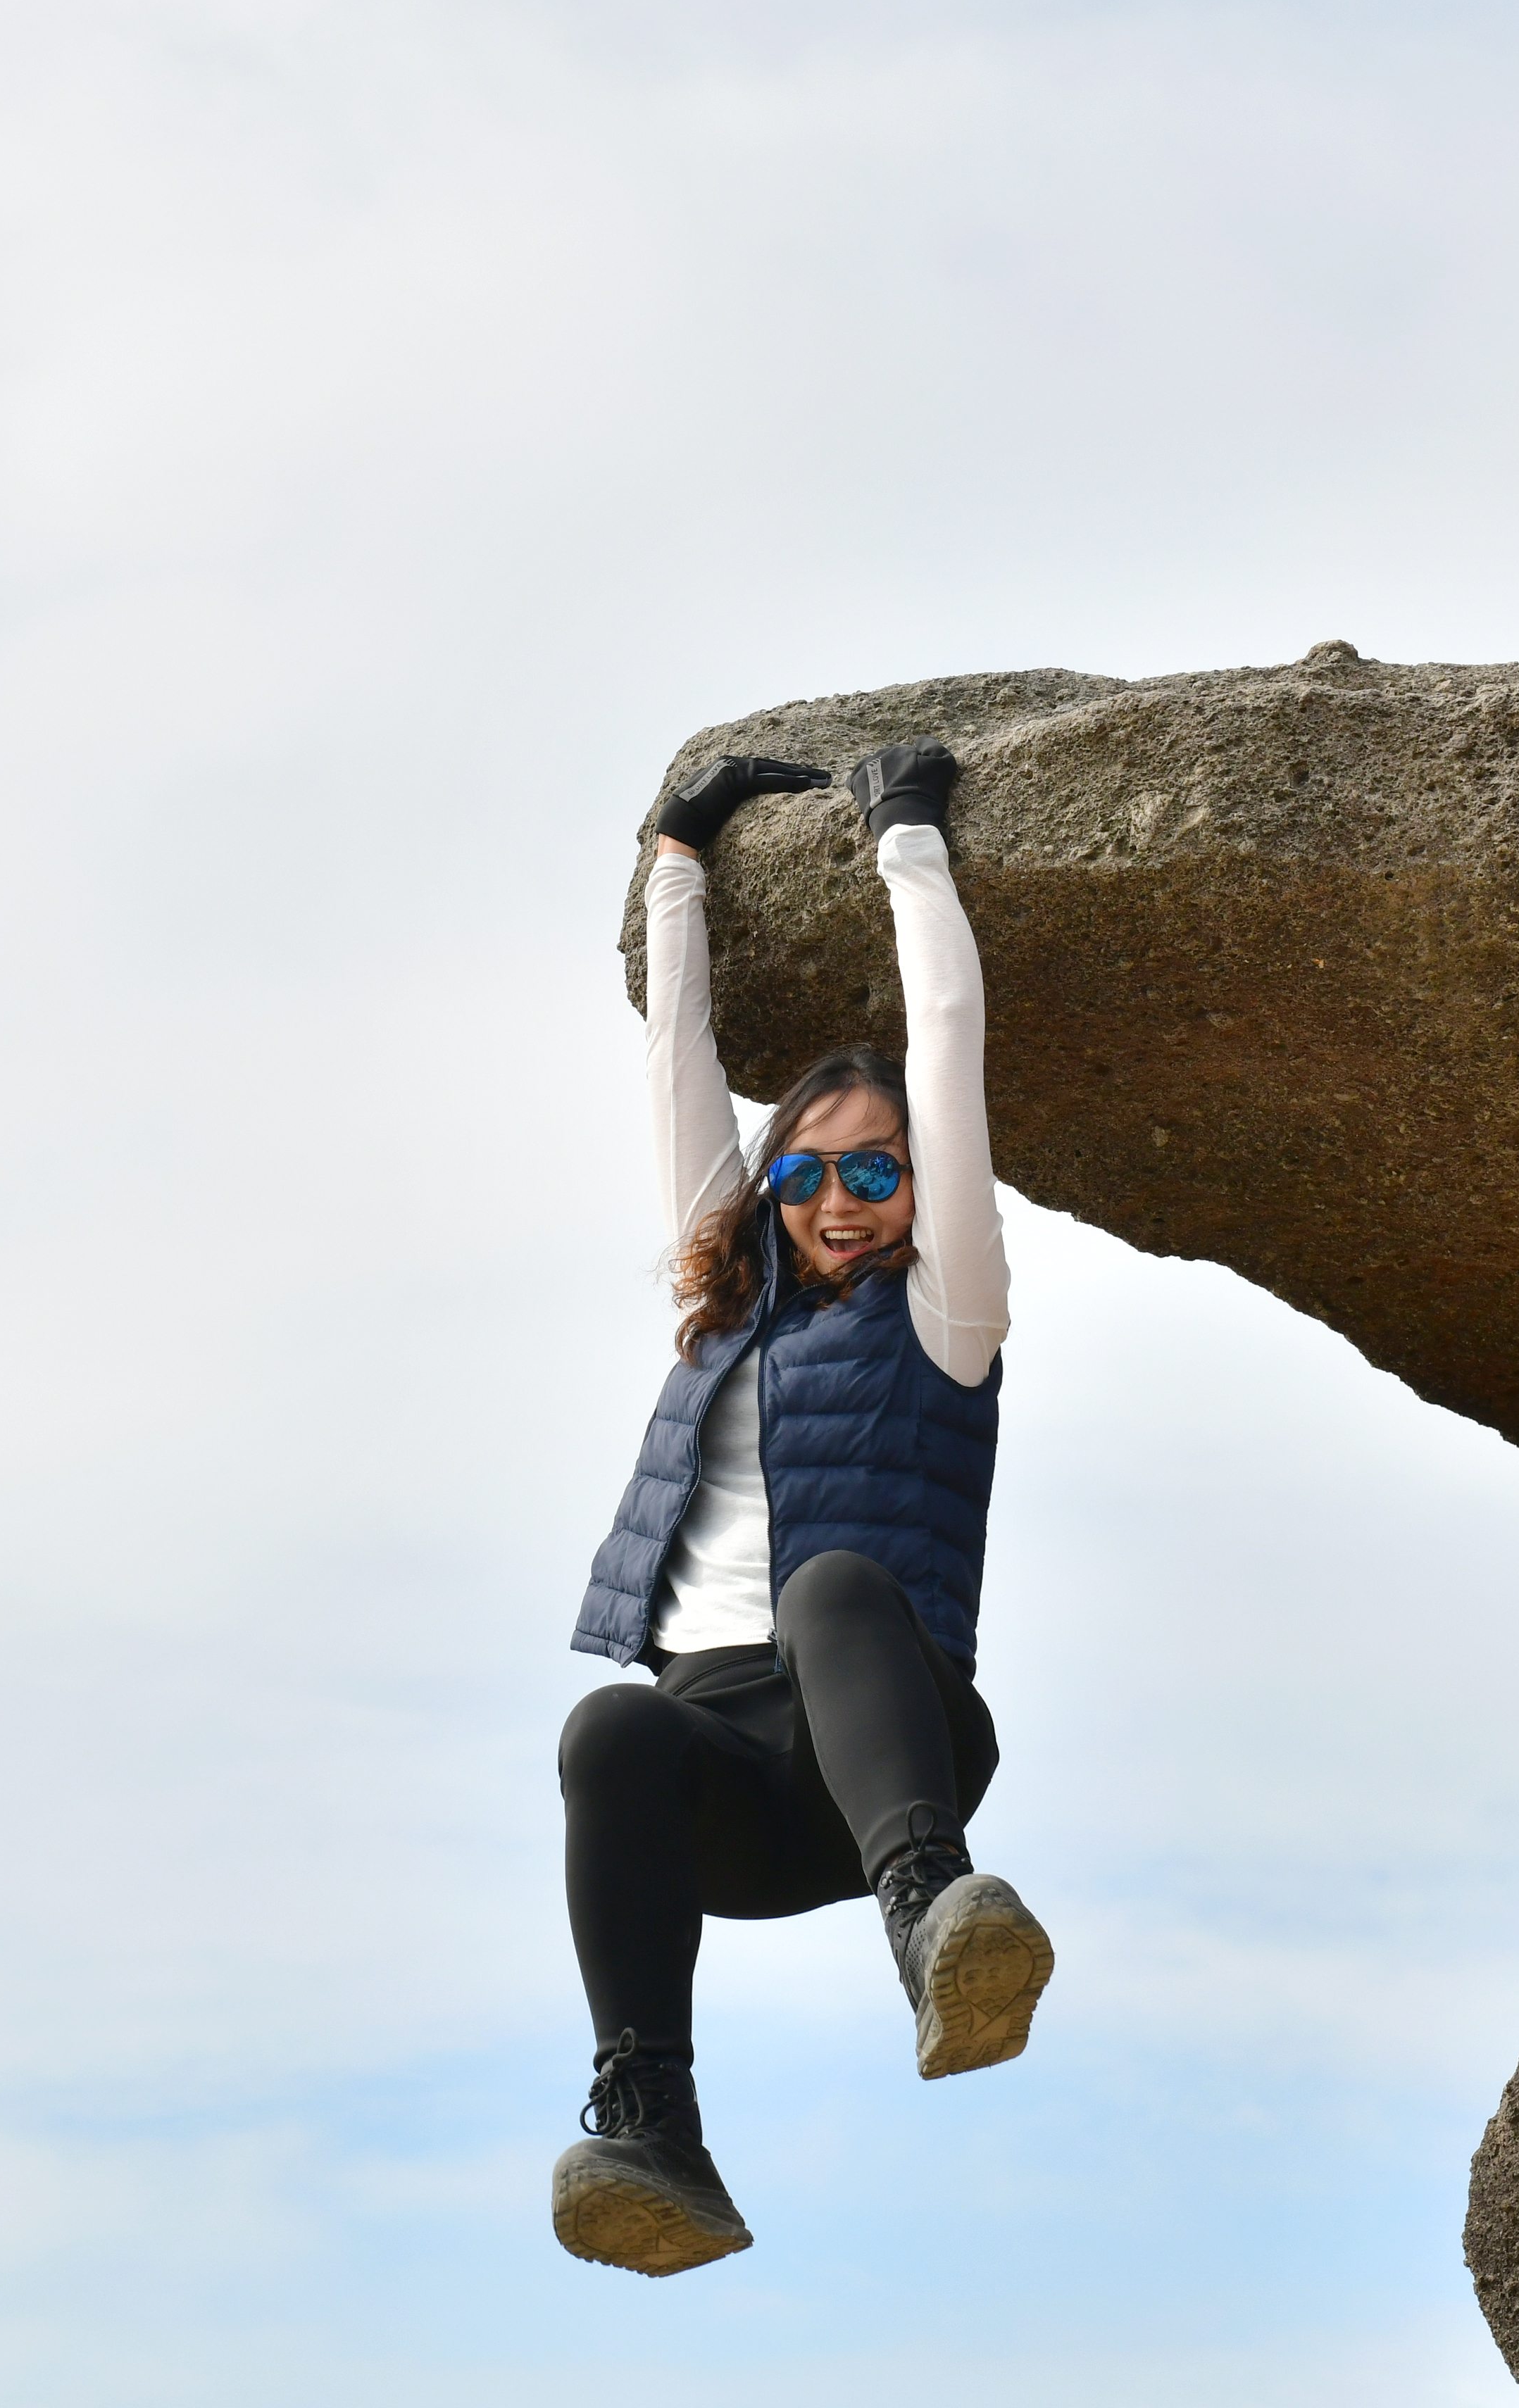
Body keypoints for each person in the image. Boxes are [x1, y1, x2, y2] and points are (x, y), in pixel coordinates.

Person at [549, 736, 1050, 2279]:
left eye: (878, 1177)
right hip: (732, 1794)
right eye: (808, 1177)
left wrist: (909, 841)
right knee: (608, 1732)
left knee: (828, 1584)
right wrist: (677, 864)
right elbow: (678, 1070)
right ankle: (656, 2129)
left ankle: (937, 1925)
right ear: (771, 1191)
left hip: (881, 1755)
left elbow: (946, 1045)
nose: (840, 1202)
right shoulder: (722, 1319)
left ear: (919, 1191)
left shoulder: (949, 1314)